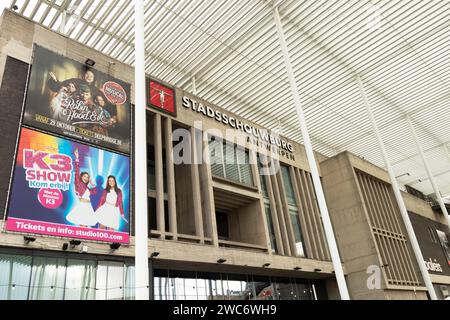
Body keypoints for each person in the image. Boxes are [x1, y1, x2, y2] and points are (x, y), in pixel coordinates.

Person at [66, 148, 98, 227]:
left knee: (86, 226)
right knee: (83, 226)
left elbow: (95, 192)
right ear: (81, 177)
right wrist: (77, 158)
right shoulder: (78, 183)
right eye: (84, 176)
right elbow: (77, 171)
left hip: (88, 207)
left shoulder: (87, 188)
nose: (86, 178)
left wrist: (91, 182)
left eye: (87, 177)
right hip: (83, 206)